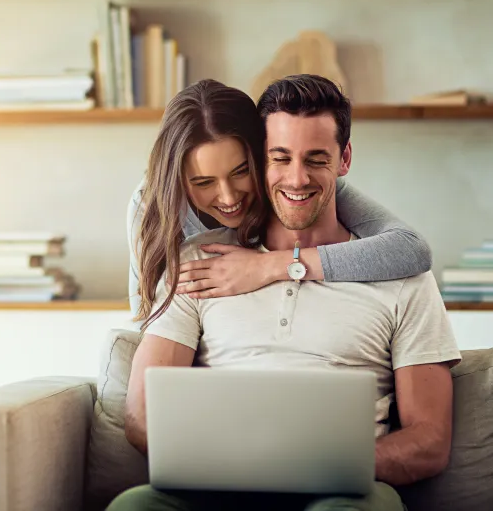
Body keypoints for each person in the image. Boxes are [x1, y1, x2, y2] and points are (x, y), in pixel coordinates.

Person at [110, 75, 461, 511]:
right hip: (217, 484)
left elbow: (429, 443)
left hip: (341, 491)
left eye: (316, 158)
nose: (297, 178)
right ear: (263, 158)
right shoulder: (195, 261)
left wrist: (311, 463)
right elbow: (141, 416)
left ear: (344, 158)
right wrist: (234, 463)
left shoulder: (404, 275)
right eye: (280, 158)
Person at [126, 81, 431, 320]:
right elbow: (147, 319)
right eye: (203, 182)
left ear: (261, 156)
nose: (229, 197)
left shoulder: (297, 186)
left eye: (241, 171)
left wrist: (269, 266)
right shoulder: (150, 206)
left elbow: (410, 249)